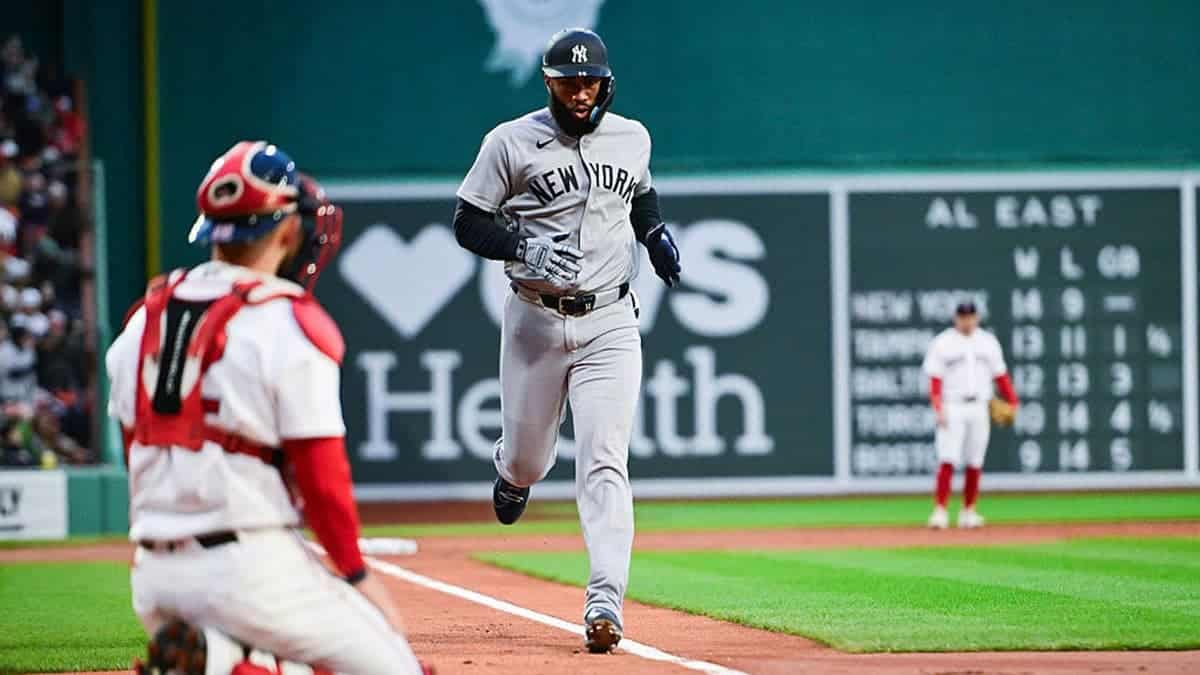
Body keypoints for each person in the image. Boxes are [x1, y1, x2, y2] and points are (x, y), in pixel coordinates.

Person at [106, 141, 431, 674]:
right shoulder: (287, 321)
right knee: (395, 665)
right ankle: (232, 662)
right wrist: (356, 575)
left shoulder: (143, 319)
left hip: (153, 577)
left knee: (293, 658)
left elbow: (132, 452)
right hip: (247, 567)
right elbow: (322, 479)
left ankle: (223, 659)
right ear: (285, 230)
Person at [452, 28, 682, 653]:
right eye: (567, 82)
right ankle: (513, 471)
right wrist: (521, 245)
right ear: (548, 84)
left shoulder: (632, 137)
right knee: (532, 457)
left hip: (610, 320)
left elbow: (640, 194)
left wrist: (655, 234)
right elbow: (468, 219)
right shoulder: (509, 142)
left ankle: (605, 601)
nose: (580, 93)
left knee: (606, 458)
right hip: (533, 319)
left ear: (605, 84)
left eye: (589, 82)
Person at [922, 301, 1018, 529]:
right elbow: (935, 379)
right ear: (956, 318)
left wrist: (1014, 401)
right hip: (952, 406)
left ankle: (969, 511)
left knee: (975, 460)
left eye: (970, 316)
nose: (967, 320)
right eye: (963, 316)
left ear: (977, 317)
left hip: (979, 405)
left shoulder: (988, 342)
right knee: (948, 458)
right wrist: (938, 407)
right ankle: (940, 511)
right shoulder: (943, 343)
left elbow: (1000, 375)